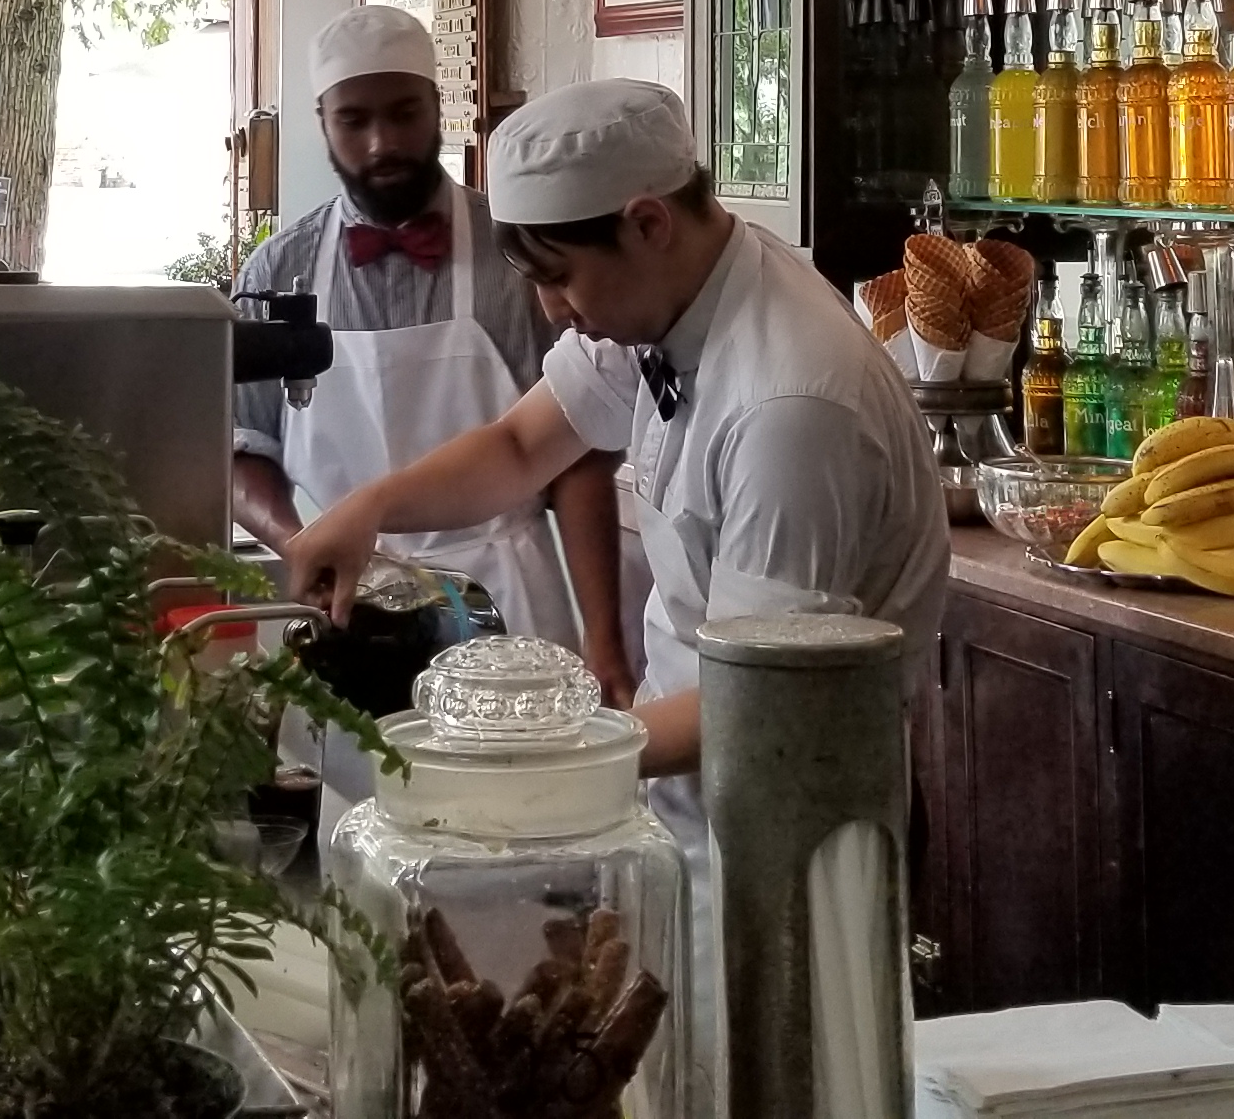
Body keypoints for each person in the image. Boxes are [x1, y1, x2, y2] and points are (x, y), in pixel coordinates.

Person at [282, 77, 949, 793]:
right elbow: (520, 447)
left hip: (790, 809)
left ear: (649, 225)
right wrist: (371, 508)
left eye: (560, 277)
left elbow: (763, 696)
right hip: (687, 777)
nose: (552, 310)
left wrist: (526, 758)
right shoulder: (676, 291)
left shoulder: (790, 410)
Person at [230, 6, 631, 700]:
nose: (383, 142)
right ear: (321, 120)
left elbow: (577, 453)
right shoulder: (275, 272)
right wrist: (300, 542)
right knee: (349, 798)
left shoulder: (519, 253)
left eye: (404, 113)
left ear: (439, 108)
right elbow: (240, 445)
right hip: (342, 611)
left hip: (508, 608)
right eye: (355, 121)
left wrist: (604, 639)